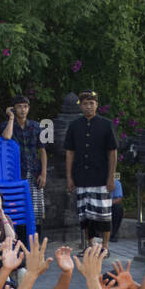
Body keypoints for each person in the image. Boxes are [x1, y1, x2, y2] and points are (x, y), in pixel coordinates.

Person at [63, 90, 117, 254]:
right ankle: (90, 245)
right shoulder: (74, 126)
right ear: (81, 105)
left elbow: (112, 152)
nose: (88, 107)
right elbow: (70, 152)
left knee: (104, 214)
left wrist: (111, 177)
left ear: (97, 105)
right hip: (81, 176)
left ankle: (105, 247)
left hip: (101, 176)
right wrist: (69, 177)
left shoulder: (106, 124)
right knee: (85, 215)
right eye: (85, 104)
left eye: (91, 103)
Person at [0, 94, 47, 222]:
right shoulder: (7, 125)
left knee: (37, 210)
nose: (23, 110)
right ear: (14, 109)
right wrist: (11, 117)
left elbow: (42, 150)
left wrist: (44, 173)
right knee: (18, 208)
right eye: (19, 107)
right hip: (16, 171)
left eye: (25, 107)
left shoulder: (37, 126)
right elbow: (7, 137)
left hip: (35, 170)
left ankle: (37, 238)